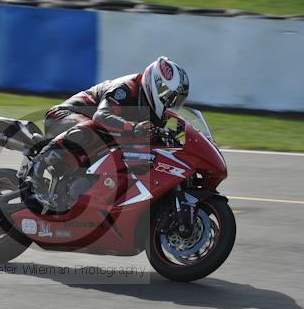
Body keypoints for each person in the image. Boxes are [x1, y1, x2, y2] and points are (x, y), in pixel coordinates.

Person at [31, 56, 190, 210]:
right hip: (63, 117)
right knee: (92, 128)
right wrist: (133, 127)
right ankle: (38, 166)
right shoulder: (127, 88)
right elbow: (101, 117)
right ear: (156, 85)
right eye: (169, 97)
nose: (170, 103)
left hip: (92, 138)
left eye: (176, 100)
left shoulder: (154, 112)